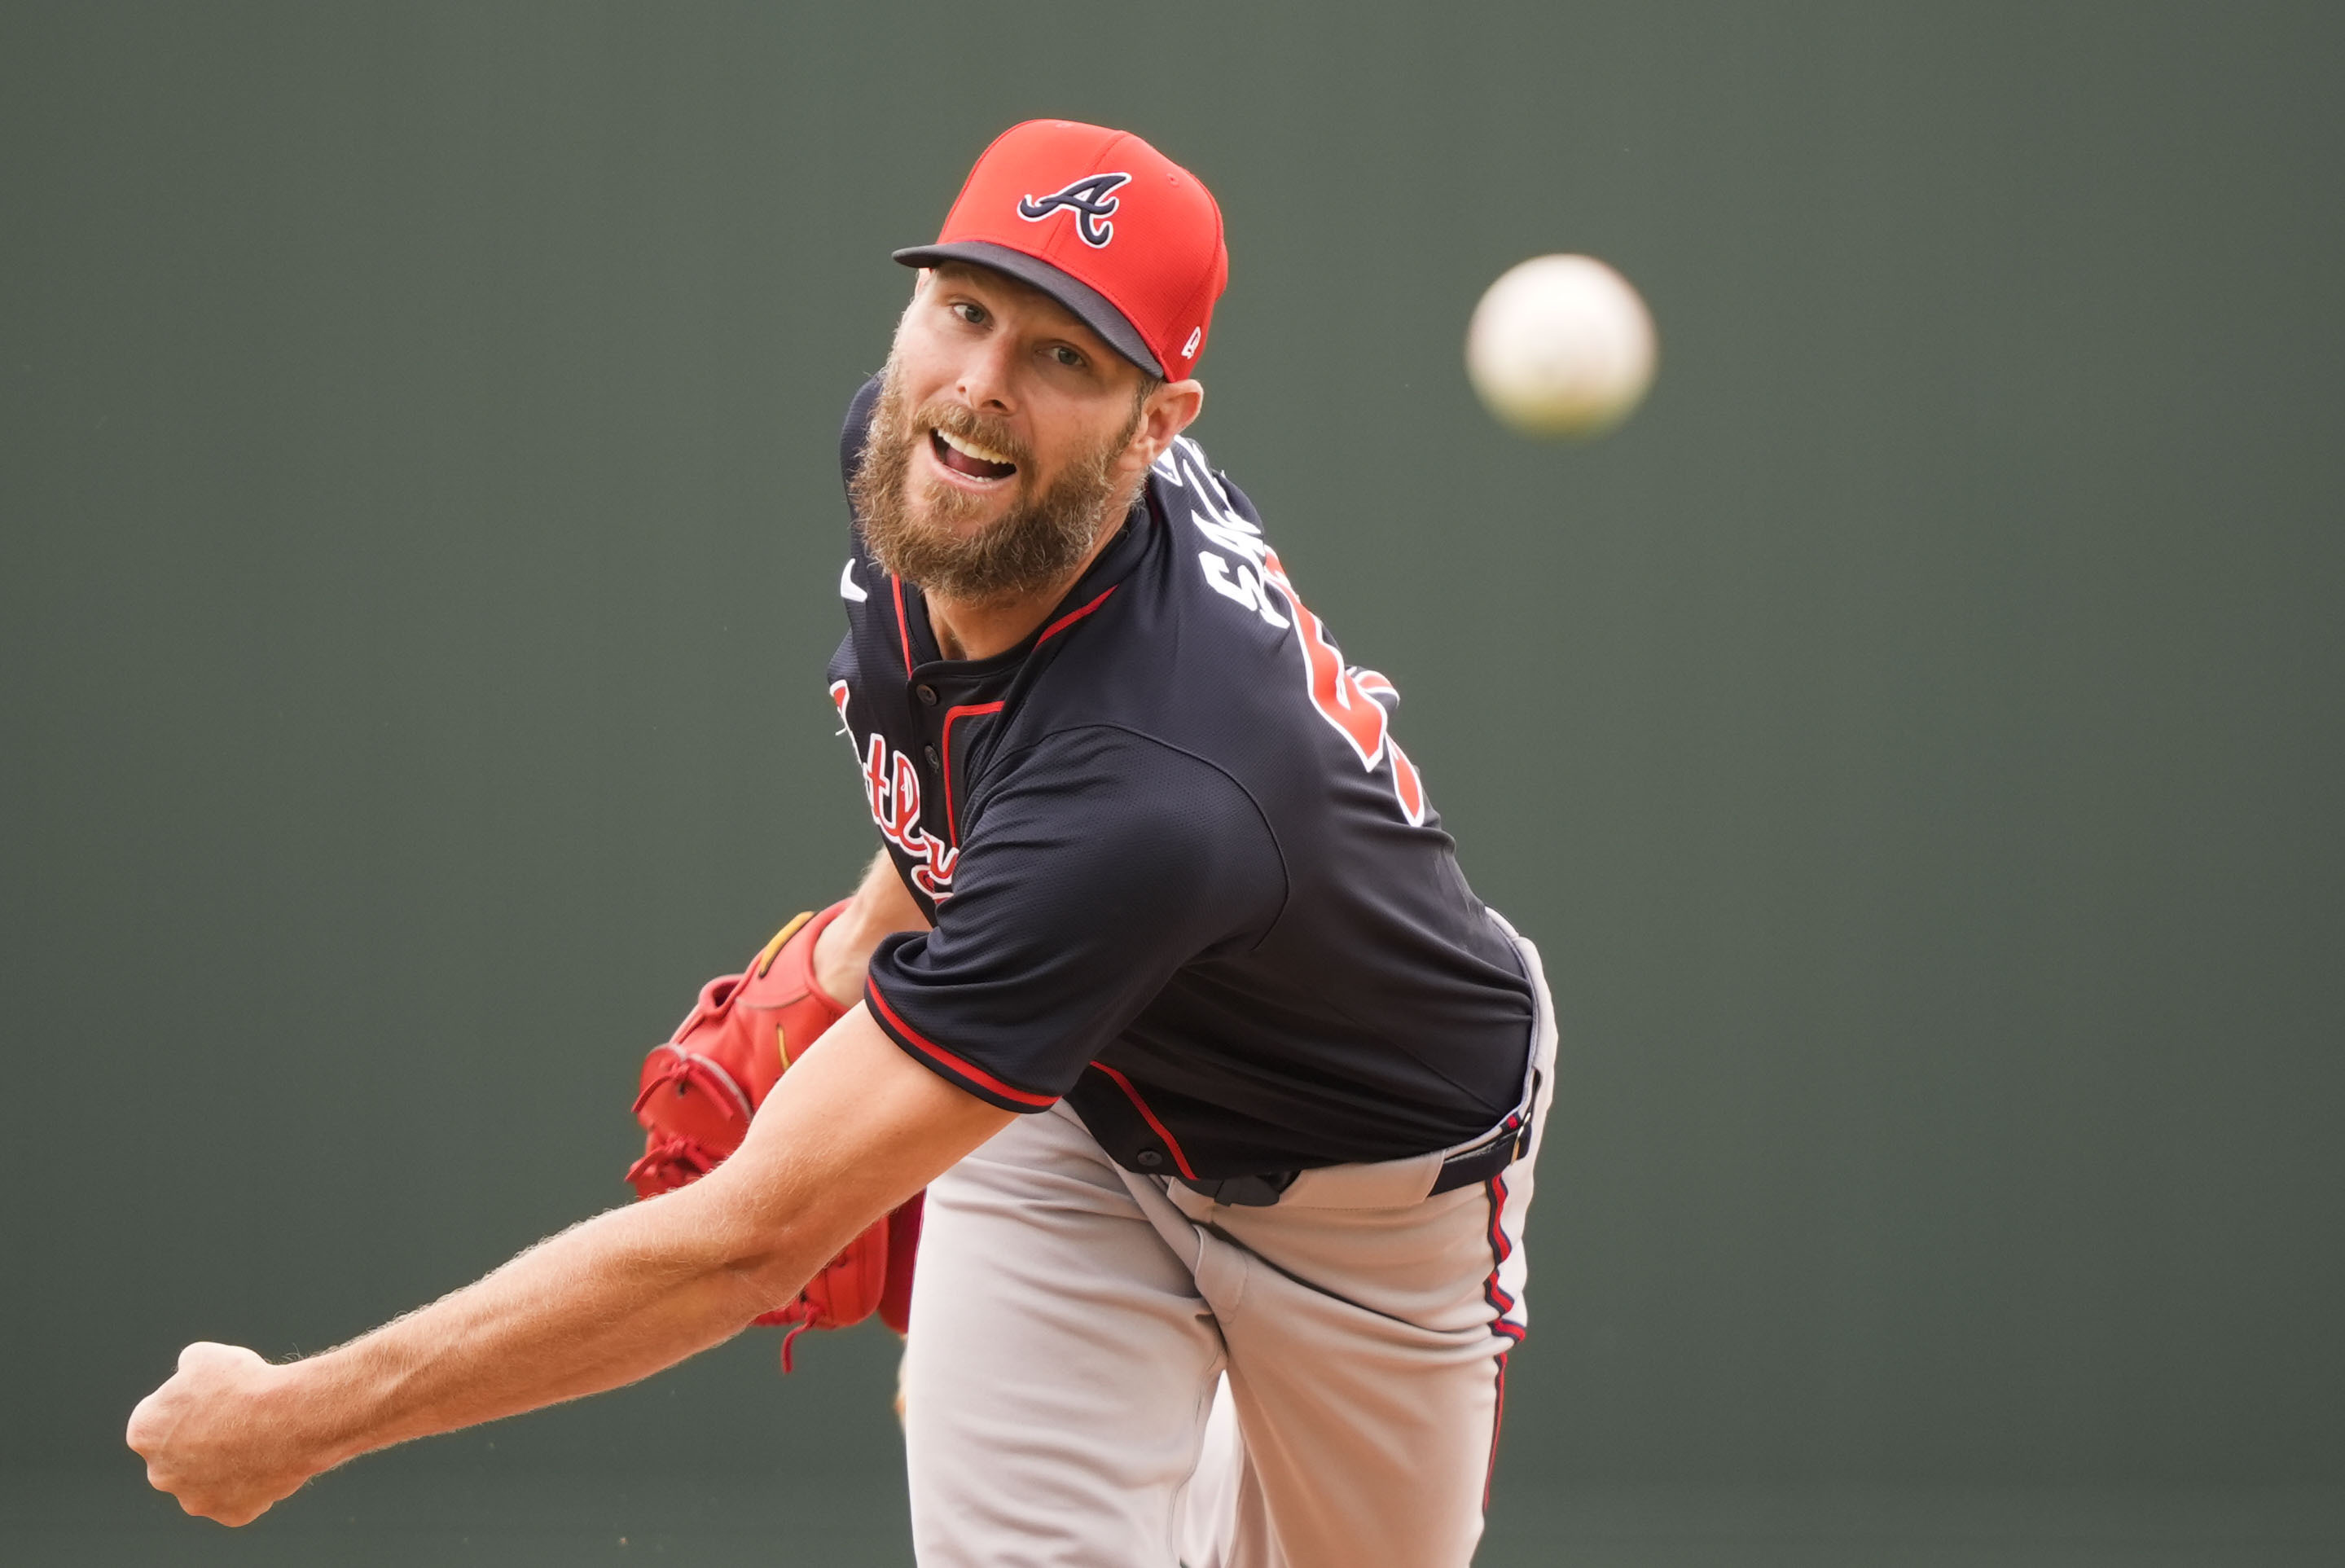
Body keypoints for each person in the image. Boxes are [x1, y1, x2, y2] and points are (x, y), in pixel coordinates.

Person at [130, 118, 1557, 1568]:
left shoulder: (1156, 792)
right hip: (1063, 1098)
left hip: (1364, 1189)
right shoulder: (924, 462)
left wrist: (297, 1417)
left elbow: (751, 1239)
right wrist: (851, 947)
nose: (982, 388)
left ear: (1159, 423)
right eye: (966, 307)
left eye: (1066, 354)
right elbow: (989, 791)